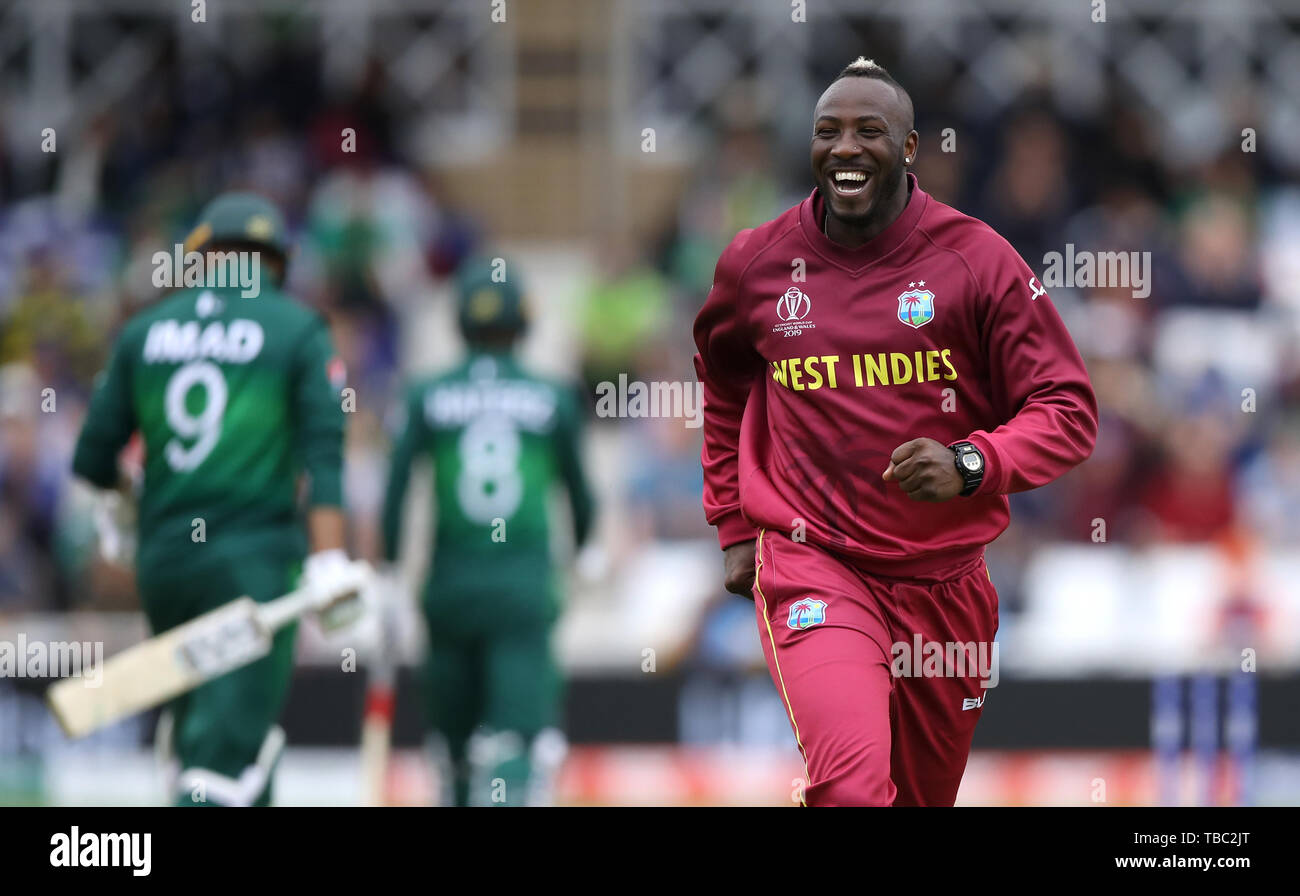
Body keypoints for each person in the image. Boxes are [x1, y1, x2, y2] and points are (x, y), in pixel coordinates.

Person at [693, 58, 1098, 806]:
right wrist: (732, 522)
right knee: (850, 788)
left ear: (910, 149)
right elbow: (722, 382)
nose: (845, 147)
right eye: (827, 132)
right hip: (816, 566)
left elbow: (1068, 410)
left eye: (869, 131)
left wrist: (974, 462)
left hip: (946, 587)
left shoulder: (977, 262)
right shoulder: (757, 264)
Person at [72, 192, 364, 806]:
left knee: (224, 743)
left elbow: (93, 458)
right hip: (252, 565)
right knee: (223, 758)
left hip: (167, 566)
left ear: (198, 258)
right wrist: (330, 556)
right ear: (277, 262)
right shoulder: (297, 328)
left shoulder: (143, 331)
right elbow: (325, 452)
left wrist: (131, 500)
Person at [381, 257, 594, 806]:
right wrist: (586, 549)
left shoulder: (426, 393)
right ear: (523, 323)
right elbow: (580, 492)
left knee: (450, 744)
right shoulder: (551, 396)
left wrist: (386, 568)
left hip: (449, 586)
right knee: (518, 740)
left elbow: (396, 488)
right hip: (521, 587)